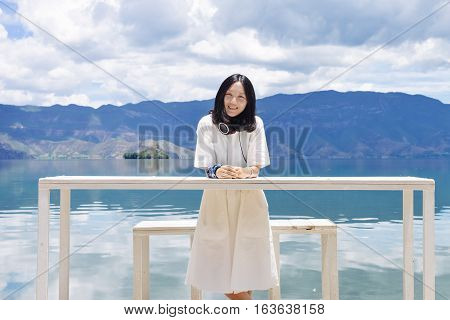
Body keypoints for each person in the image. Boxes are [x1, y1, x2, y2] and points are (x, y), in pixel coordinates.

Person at [184, 74, 279, 300]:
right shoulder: (206, 124)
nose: (233, 102)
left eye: (240, 98)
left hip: (250, 200)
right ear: (220, 96)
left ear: (249, 102)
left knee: (248, 269)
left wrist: (245, 171)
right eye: (228, 95)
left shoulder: (256, 125)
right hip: (216, 201)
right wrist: (217, 170)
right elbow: (205, 163)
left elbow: (256, 165)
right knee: (217, 266)